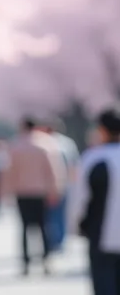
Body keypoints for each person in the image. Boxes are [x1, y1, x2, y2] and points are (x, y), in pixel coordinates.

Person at [0, 118, 63, 276]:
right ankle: (46, 260)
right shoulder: (45, 145)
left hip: (22, 192)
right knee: (43, 227)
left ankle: (26, 263)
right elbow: (53, 170)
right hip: (41, 192)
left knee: (25, 228)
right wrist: (55, 190)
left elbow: (8, 172)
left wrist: (6, 192)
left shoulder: (15, 145)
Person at [69, 108, 120, 295]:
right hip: (101, 229)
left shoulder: (93, 157)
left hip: (99, 230)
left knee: (103, 281)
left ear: (102, 130)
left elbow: (79, 199)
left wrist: (76, 226)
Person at [39, 119, 79, 252]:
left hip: (46, 185)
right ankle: (59, 240)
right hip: (65, 183)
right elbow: (74, 165)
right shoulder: (68, 143)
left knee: (49, 215)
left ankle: (52, 240)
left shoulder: (43, 142)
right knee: (60, 213)